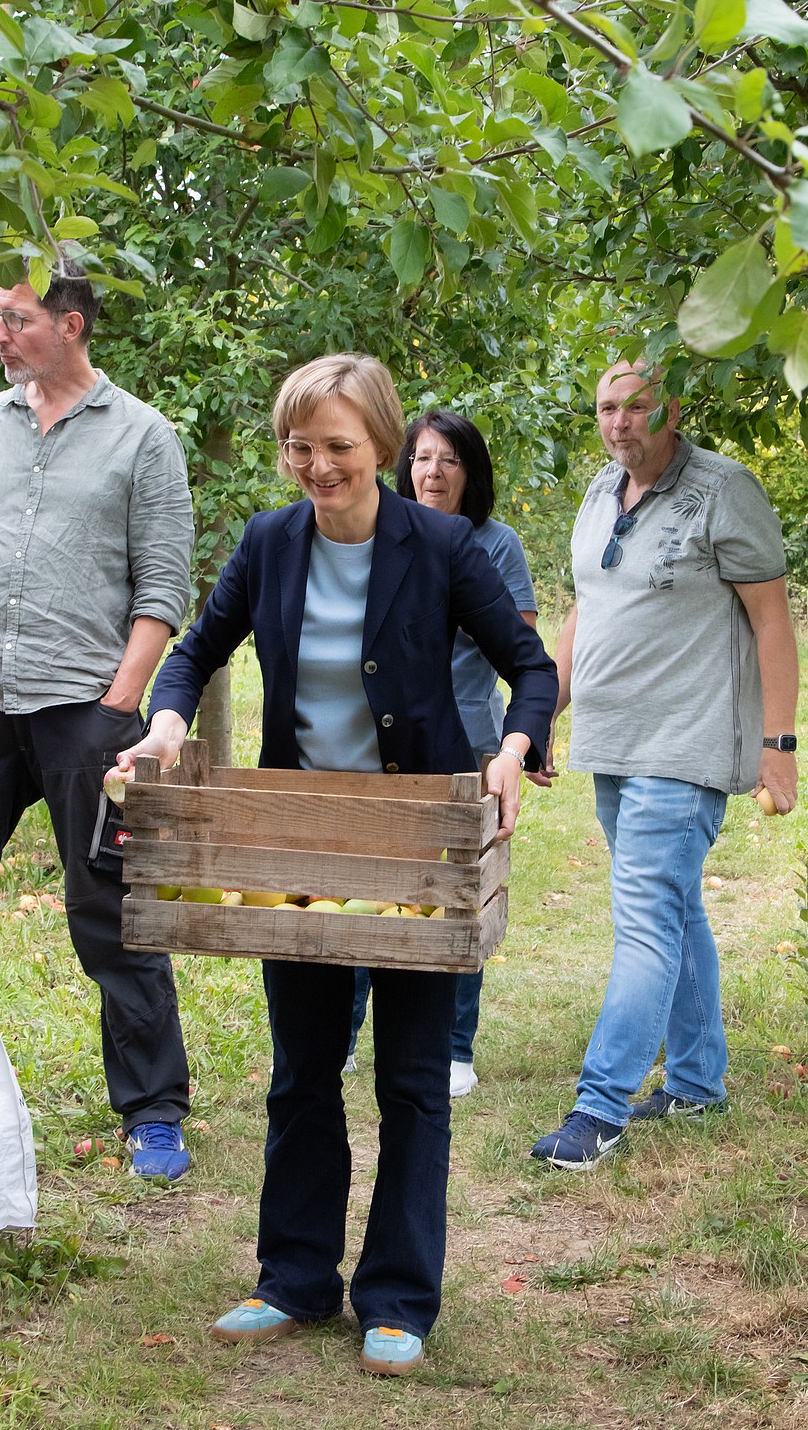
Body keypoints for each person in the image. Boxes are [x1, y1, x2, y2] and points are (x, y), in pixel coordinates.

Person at [113, 354, 557, 1374]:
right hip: (300, 838)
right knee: (302, 1070)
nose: (316, 465)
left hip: (417, 841)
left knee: (412, 1078)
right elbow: (196, 649)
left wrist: (509, 749)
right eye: (298, 446)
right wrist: (167, 721)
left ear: (382, 445)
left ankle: (397, 1294)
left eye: (337, 446)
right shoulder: (269, 542)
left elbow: (529, 667)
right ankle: (294, 1278)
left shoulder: (439, 544)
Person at [0, 256, 196, 1180]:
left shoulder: (143, 435)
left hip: (83, 709)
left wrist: (118, 704)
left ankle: (153, 1111)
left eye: (16, 318)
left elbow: (163, 587)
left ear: (71, 324)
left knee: (109, 907)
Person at [529, 361, 799, 1171]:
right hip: (612, 741)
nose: (618, 422)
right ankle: (696, 1083)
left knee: (644, 918)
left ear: (670, 409)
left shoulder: (724, 489)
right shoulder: (597, 490)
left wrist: (778, 746)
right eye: (605, 407)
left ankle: (597, 1107)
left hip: (686, 744)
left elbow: (771, 620)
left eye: (635, 406)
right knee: (674, 911)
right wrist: (541, 714)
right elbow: (586, 609)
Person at [345, 411, 540, 1099]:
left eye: (449, 460)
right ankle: (345, 1036)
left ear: (469, 473)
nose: (432, 471)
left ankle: (454, 1046)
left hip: (469, 741)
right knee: (367, 885)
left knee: (455, 896)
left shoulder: (495, 544)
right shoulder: (378, 534)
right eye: (422, 458)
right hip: (385, 743)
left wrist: (525, 743)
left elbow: (519, 648)